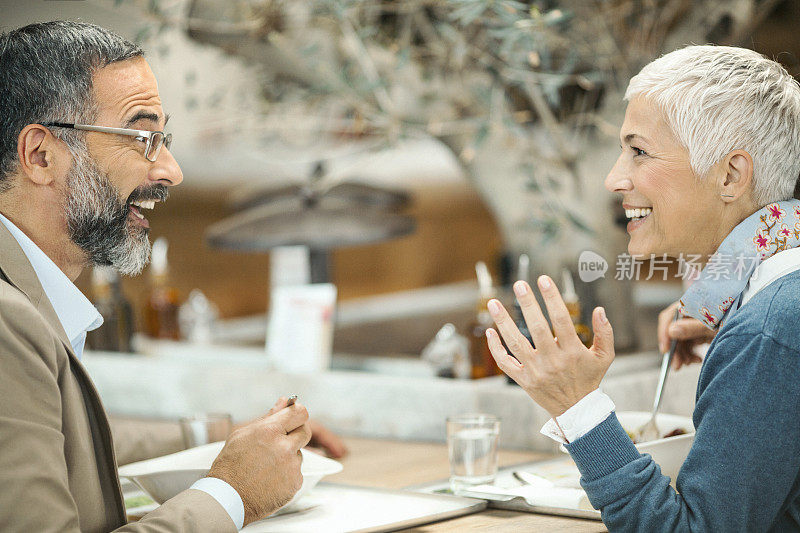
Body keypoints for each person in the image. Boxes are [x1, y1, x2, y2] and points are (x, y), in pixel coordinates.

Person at [0, 21, 339, 532]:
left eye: (164, 139)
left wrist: (224, 436)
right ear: (41, 155)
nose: (172, 170)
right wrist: (234, 494)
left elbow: (62, 437)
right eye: (143, 137)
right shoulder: (7, 322)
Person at [486, 45, 800, 531]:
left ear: (731, 175)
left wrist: (578, 406)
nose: (614, 178)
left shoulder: (768, 329)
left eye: (639, 151)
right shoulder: (771, 305)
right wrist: (727, 309)